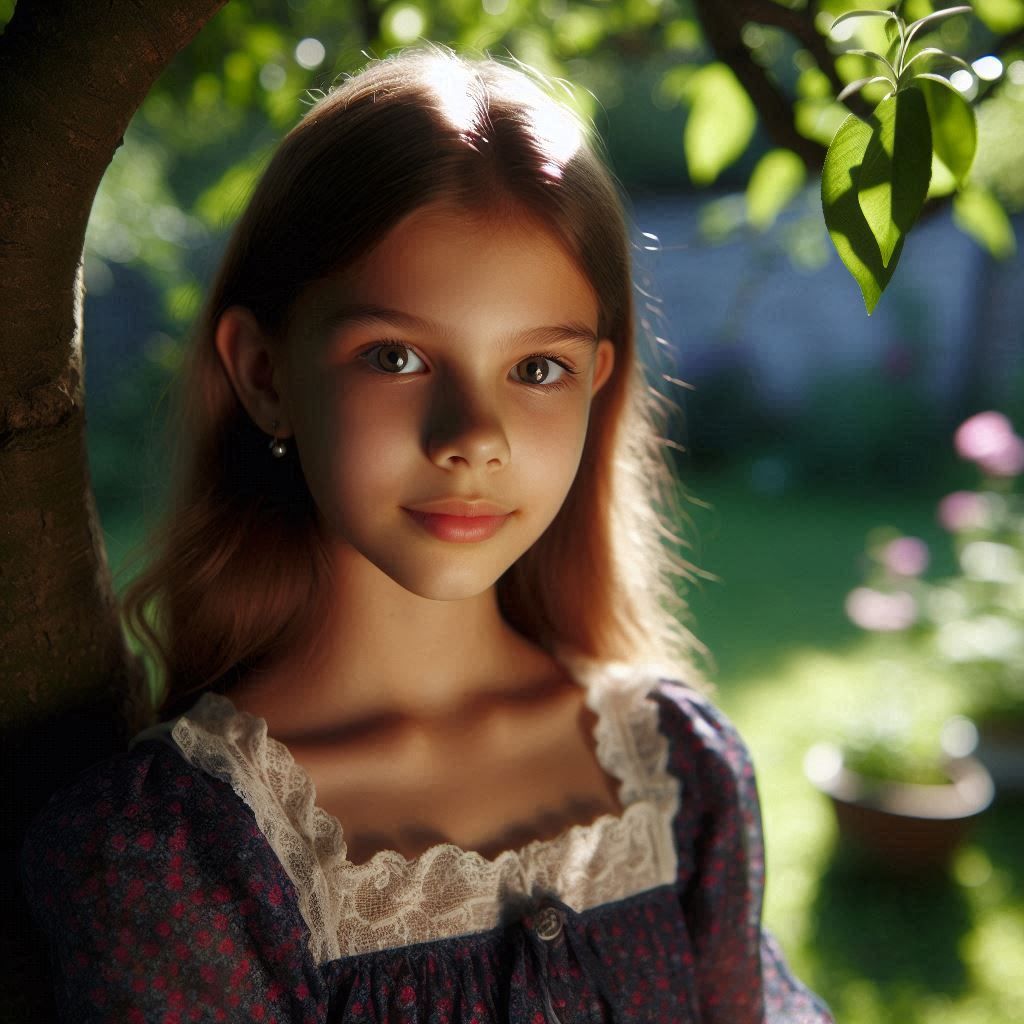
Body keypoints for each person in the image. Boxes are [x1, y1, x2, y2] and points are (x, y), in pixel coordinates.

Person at [21, 46, 833, 1023]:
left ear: (598, 383)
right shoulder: (178, 857)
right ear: (265, 373)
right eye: (397, 355)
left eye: (536, 368)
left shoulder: (679, 769)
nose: (473, 439)